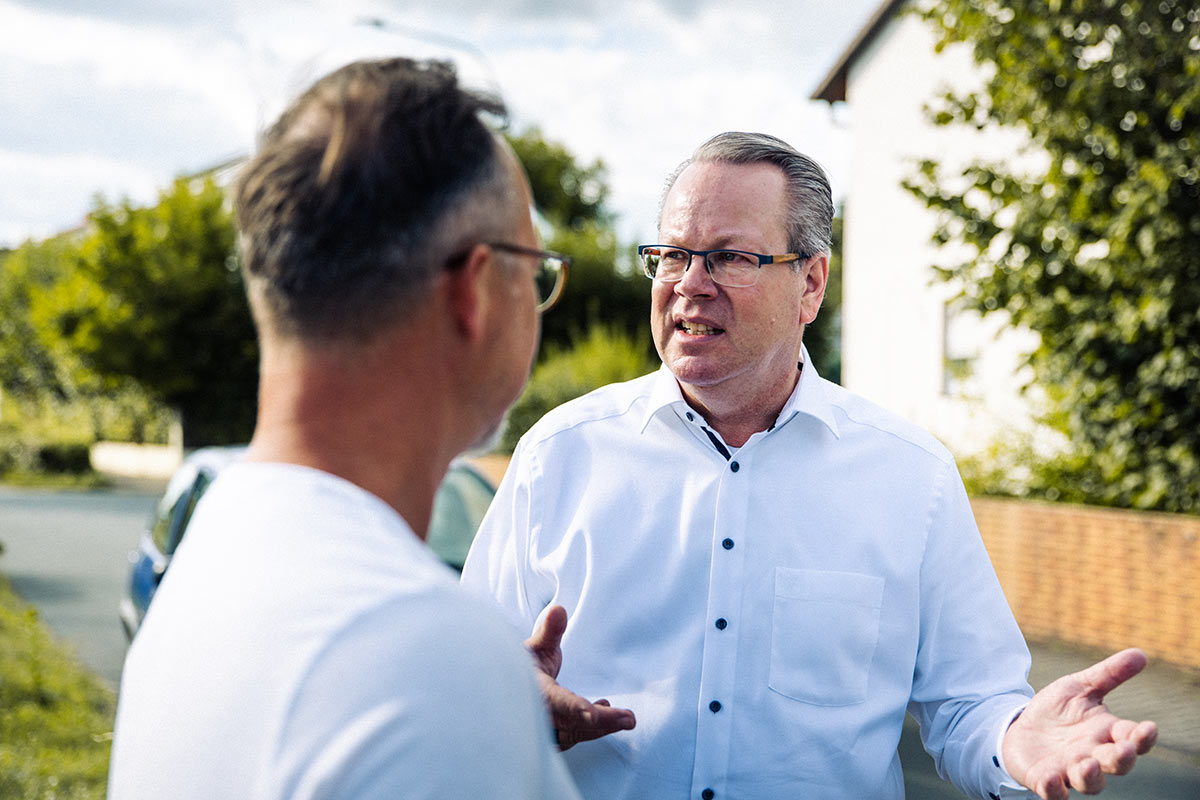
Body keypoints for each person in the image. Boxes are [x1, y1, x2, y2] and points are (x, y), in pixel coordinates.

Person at [461, 131, 1158, 800]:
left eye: (731, 258)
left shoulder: (910, 478)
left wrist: (1016, 742)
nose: (690, 284)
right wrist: (509, 699)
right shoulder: (559, 454)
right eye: (672, 254)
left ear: (812, 284)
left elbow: (970, 703)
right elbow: (464, 679)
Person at [108, 57, 580, 799]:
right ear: (477, 289)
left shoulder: (213, 546)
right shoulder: (423, 652)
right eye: (536, 264)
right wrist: (479, 703)